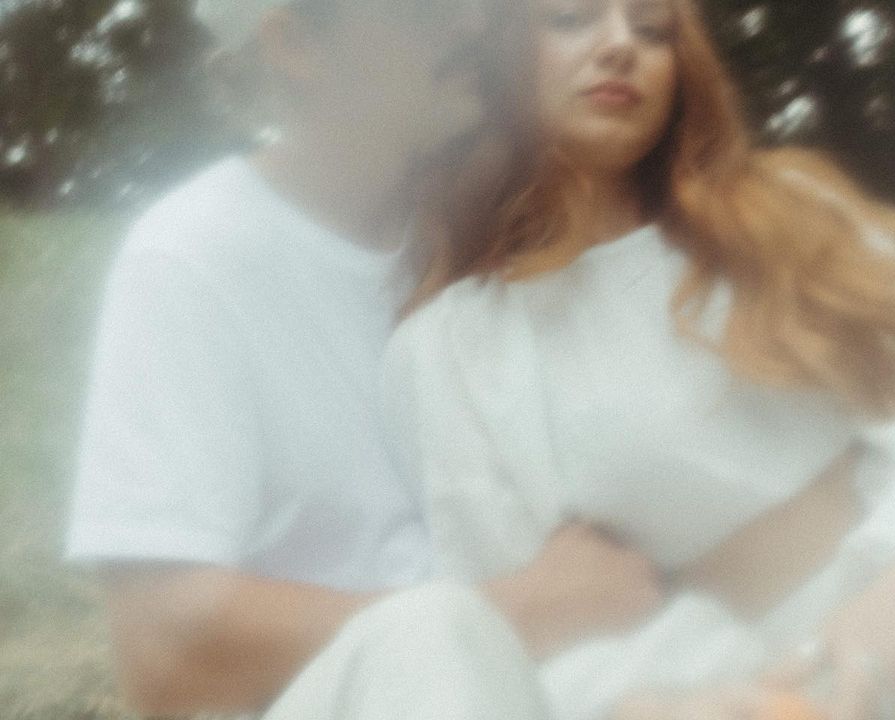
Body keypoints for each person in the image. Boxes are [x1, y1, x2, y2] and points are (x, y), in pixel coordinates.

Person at [380, 0, 895, 719]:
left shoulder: (789, 212)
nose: (620, 44)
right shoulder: (448, 350)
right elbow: (528, 632)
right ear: (493, 54)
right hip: (715, 696)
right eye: (572, 18)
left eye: (652, 29)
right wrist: (743, 700)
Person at [66, 2, 668, 718]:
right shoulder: (190, 256)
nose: (475, 22)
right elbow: (164, 653)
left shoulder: (497, 245)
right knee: (430, 630)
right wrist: (516, 611)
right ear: (294, 43)